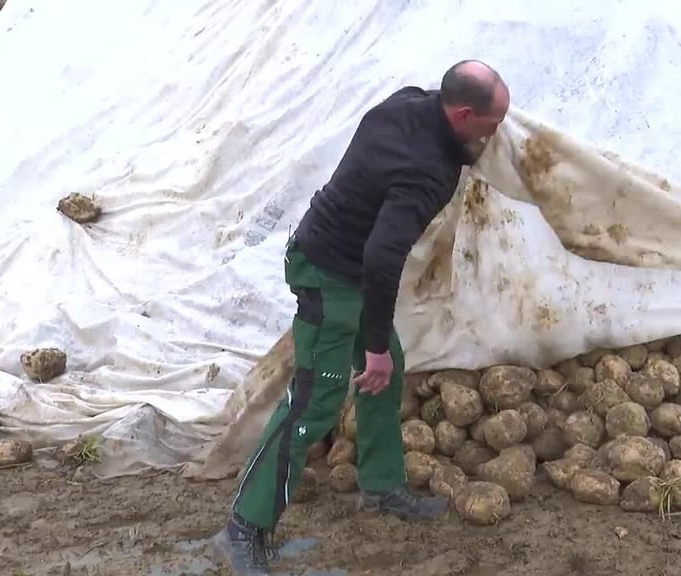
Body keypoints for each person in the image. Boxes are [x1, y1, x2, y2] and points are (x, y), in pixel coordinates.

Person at [213, 59, 511, 574]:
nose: (496, 134)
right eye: (492, 125)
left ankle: (380, 486)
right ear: (463, 114)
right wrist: (371, 346)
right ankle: (243, 526)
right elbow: (382, 256)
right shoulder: (429, 172)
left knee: (386, 368)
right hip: (328, 272)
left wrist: (379, 349)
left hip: (343, 263)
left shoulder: (407, 100)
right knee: (314, 400)